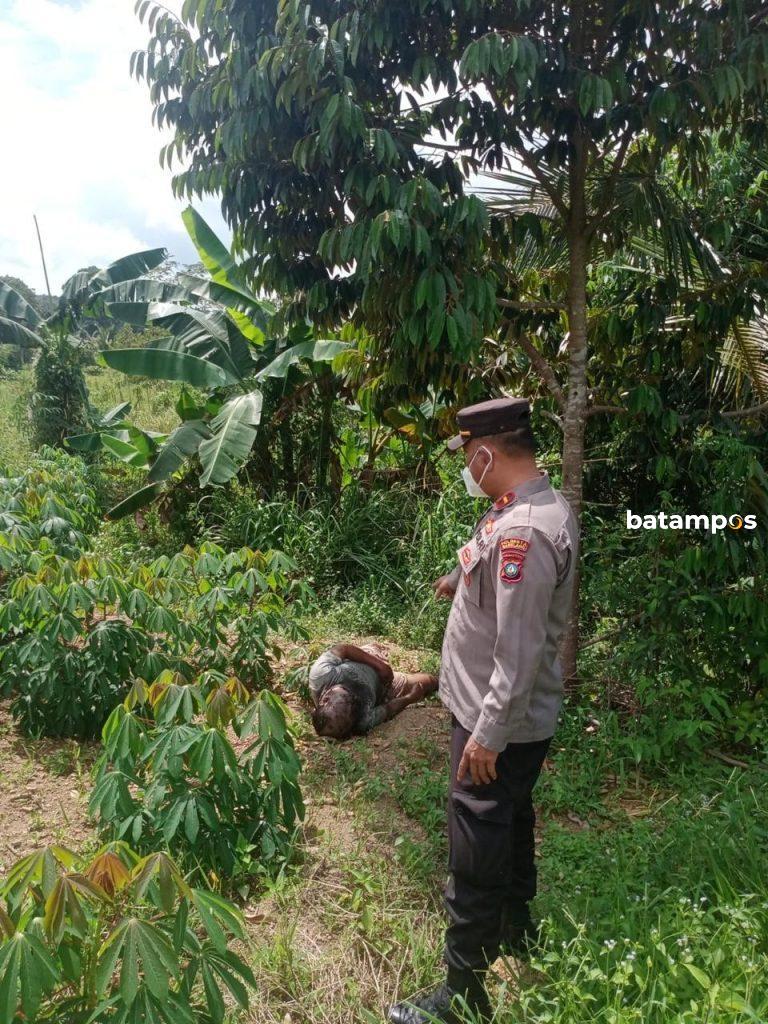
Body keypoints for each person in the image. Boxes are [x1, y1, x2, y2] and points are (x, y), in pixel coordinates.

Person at [389, 397, 578, 1024]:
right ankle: (518, 936)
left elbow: (518, 653)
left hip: (495, 721)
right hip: (507, 718)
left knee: (475, 841)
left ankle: (462, 992)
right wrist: (457, 576)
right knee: (510, 821)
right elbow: (493, 562)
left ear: (487, 453)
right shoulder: (524, 506)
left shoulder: (525, 531)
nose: (467, 468)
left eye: (469, 456)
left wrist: (488, 735)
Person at [309, 641, 438, 740]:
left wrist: (380, 665)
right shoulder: (362, 721)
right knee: (429, 682)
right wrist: (410, 698)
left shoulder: (321, 675)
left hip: (365, 660)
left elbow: (344, 649)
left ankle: (377, 649)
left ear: (326, 699)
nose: (355, 701)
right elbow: (389, 709)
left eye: (348, 700)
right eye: (353, 712)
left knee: (377, 647)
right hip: (387, 688)